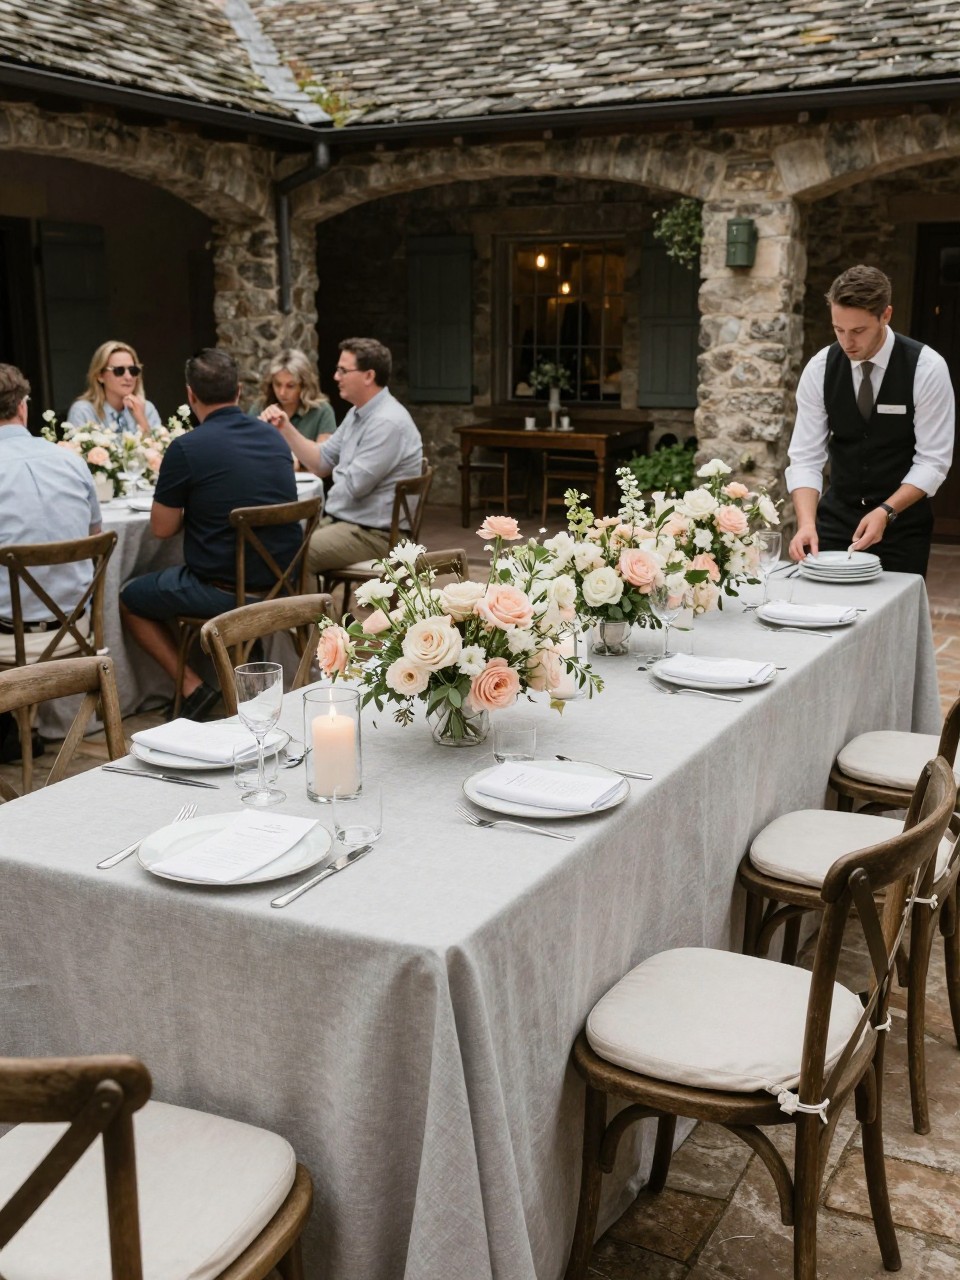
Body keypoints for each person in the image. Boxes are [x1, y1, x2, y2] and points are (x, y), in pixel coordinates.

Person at [120, 348, 300, 721]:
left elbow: (161, 528)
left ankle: (192, 686)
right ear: (238, 391)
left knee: (129, 597)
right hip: (284, 584)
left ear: (190, 395)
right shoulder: (275, 438)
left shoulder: (186, 448)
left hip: (223, 593)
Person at [786, 264, 954, 576]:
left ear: (885, 315)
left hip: (902, 528)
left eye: (858, 331)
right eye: (839, 329)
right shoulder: (820, 368)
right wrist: (807, 524)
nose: (847, 342)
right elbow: (806, 457)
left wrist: (886, 511)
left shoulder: (927, 368)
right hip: (834, 525)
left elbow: (933, 461)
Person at [0, 363, 101, 761]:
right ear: (24, 407)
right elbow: (95, 538)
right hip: (73, 627)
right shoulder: (71, 461)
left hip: (9, 635)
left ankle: (13, 728)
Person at [261, 338, 422, 577]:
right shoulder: (358, 413)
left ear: (368, 376)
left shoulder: (386, 422)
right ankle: (298, 611)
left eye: (343, 370)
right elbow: (321, 462)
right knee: (276, 543)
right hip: (348, 523)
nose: (336, 377)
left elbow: (354, 486)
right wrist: (285, 427)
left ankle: (318, 615)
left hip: (376, 535)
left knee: (297, 553)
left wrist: (339, 468)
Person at [67, 340, 162, 436]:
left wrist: (141, 420)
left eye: (133, 370)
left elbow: (159, 448)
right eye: (119, 370)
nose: (128, 377)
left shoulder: (146, 408)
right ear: (100, 376)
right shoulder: (84, 411)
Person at [258, 348, 335, 444]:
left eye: (290, 386)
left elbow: (324, 456)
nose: (282, 392)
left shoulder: (322, 411)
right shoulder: (261, 406)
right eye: (277, 384)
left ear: (303, 385)